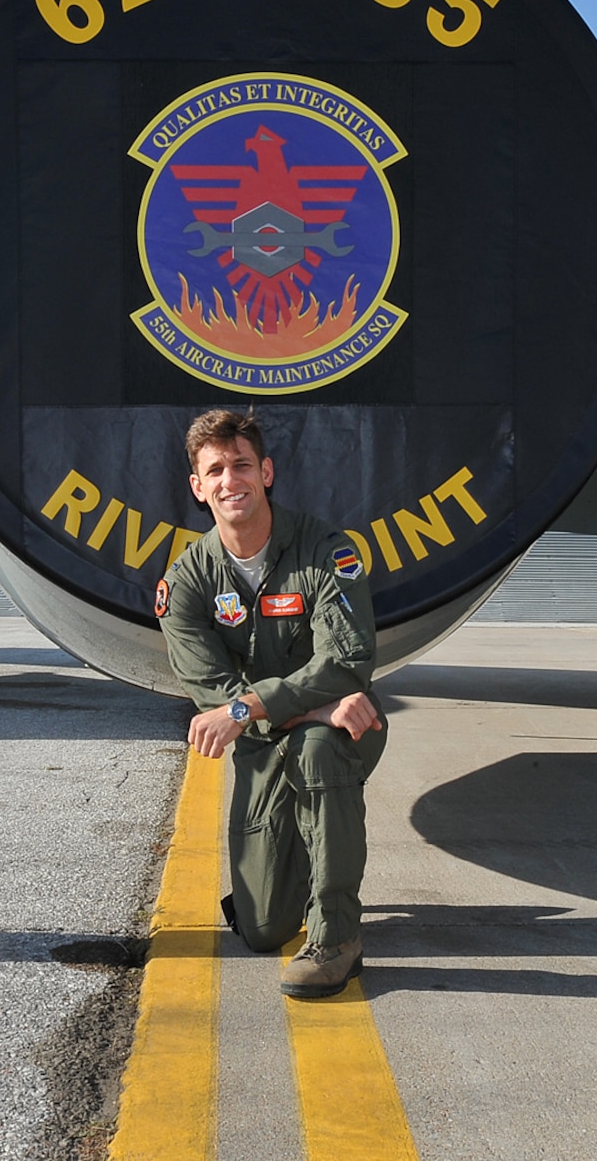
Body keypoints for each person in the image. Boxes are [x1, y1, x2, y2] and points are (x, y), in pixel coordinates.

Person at [156, 410, 386, 998]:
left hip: (343, 725)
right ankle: (308, 866)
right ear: (198, 487)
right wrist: (295, 707)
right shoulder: (186, 580)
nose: (230, 480)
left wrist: (253, 709)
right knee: (260, 929)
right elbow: (210, 690)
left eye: (241, 465)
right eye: (216, 470)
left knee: (318, 748)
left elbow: (346, 662)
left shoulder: (327, 550)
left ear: (267, 472)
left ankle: (337, 938)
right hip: (265, 738)